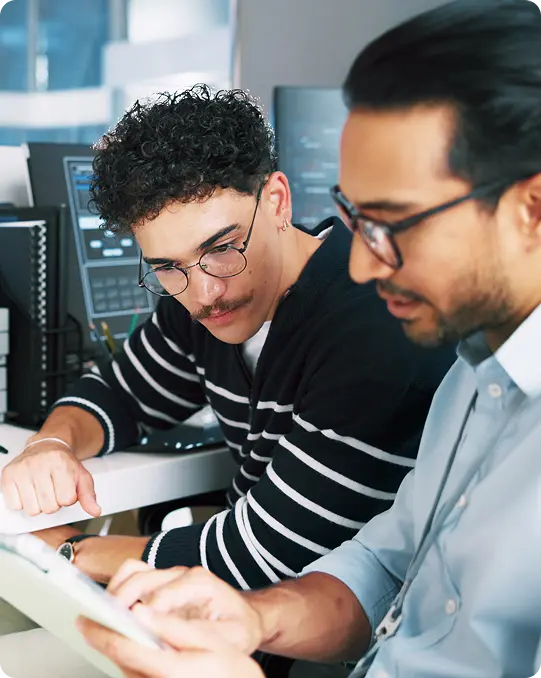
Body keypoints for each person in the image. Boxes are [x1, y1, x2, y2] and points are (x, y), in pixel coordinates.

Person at [79, 1, 541, 677]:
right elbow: (385, 566)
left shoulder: (400, 349)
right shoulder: (470, 382)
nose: (357, 264)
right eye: (353, 218)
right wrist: (254, 619)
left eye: (391, 224)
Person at [0, 86, 453, 596]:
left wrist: (66, 550)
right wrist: (51, 444)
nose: (205, 293)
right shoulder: (199, 300)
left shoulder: (374, 324)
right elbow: (120, 395)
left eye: (222, 247)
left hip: (358, 632)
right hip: (249, 608)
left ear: (277, 201)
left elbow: (267, 554)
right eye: (168, 268)